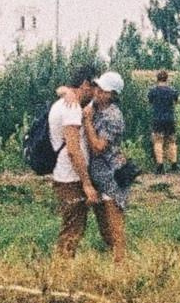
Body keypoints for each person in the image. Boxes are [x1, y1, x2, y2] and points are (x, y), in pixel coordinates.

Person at [49, 62, 105, 261]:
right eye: (93, 87)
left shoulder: (72, 104)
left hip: (67, 176)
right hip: (69, 178)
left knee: (73, 228)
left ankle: (63, 273)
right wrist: (87, 184)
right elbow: (73, 150)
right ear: (84, 84)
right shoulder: (71, 108)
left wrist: (64, 90)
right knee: (71, 231)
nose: (95, 91)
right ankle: (61, 277)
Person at [90, 71, 134, 259]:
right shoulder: (96, 108)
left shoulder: (113, 116)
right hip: (99, 175)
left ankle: (120, 267)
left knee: (115, 225)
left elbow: (98, 147)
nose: (97, 92)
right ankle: (114, 261)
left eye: (103, 90)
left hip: (112, 175)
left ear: (113, 94)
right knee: (104, 226)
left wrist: (86, 122)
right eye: (98, 87)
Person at [145, 68, 180, 171]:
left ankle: (160, 166)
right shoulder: (172, 91)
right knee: (172, 141)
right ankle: (174, 165)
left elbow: (149, 101)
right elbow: (177, 101)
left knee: (158, 142)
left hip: (157, 118)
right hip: (169, 118)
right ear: (167, 79)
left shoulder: (153, 91)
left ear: (157, 79)